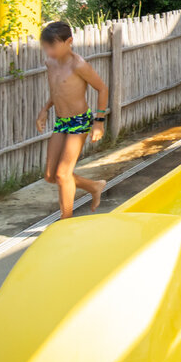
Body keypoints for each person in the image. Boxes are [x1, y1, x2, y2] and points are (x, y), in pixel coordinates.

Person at [36, 21, 108, 219]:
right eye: (46, 47)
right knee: (51, 176)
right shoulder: (50, 63)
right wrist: (44, 110)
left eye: (53, 47)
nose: (49, 51)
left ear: (69, 42)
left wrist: (99, 121)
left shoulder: (79, 65)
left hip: (79, 121)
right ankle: (94, 186)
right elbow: (57, 91)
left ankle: (65, 221)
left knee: (62, 174)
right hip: (61, 121)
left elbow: (102, 88)